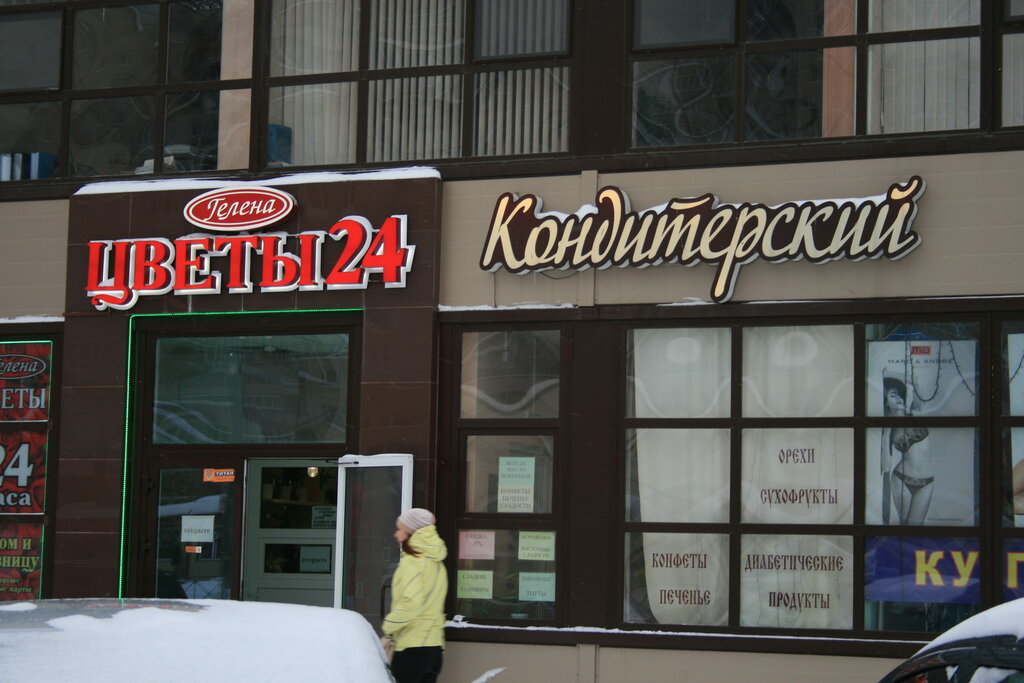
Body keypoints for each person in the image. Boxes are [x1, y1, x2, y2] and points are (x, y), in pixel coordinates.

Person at [381, 508, 448, 683]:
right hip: (434, 648)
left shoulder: (411, 564)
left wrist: (388, 626)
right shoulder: (437, 564)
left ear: (412, 533)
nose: (396, 535)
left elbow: (410, 605)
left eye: (400, 530)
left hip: (411, 649)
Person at [880, 376, 933, 525]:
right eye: (893, 395)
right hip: (902, 480)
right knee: (906, 528)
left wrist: (888, 373)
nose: (898, 397)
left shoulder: (915, 413)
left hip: (927, 482)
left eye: (899, 394)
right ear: (886, 403)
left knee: (917, 527)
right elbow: (886, 466)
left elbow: (917, 381)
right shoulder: (889, 429)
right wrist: (886, 434)